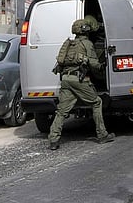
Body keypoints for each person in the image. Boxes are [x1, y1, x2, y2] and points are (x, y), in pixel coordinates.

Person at [48, 18, 115, 150]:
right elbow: (94, 64)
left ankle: (53, 140)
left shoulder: (69, 44)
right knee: (97, 102)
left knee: (61, 111)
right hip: (79, 80)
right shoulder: (87, 43)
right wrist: (106, 62)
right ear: (86, 30)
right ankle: (102, 135)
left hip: (66, 79)